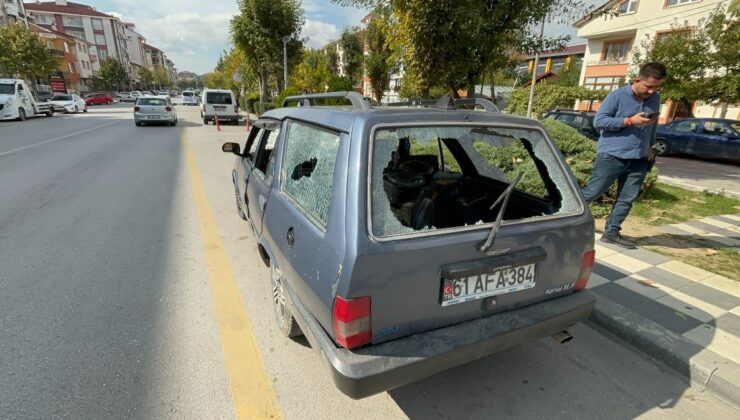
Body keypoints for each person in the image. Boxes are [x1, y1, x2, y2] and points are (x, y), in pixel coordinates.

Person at [582, 62, 666, 249]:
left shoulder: (655, 98)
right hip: (612, 155)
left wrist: (651, 146)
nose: (652, 91)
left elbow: (652, 123)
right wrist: (629, 121)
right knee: (592, 192)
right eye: (649, 86)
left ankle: (611, 232)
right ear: (637, 80)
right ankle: (563, 221)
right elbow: (599, 122)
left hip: (639, 159)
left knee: (627, 198)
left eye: (656, 87)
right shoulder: (617, 96)